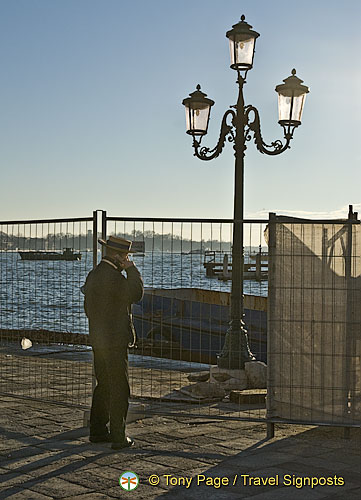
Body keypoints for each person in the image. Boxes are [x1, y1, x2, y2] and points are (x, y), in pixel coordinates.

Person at [83, 236, 144, 450]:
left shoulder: (94, 274)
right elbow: (136, 294)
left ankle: (98, 430)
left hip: (98, 339)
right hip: (115, 340)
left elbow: (88, 308)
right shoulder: (116, 278)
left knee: (104, 385)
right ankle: (118, 435)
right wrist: (132, 270)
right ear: (118, 256)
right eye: (126, 256)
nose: (127, 259)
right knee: (119, 388)